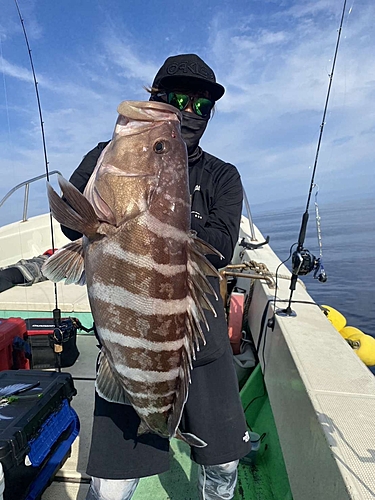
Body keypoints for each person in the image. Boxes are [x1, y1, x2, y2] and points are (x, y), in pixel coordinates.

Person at [61, 53, 250, 500]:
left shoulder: (223, 175)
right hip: (127, 345)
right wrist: (136, 211)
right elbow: (72, 223)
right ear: (157, 98)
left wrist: (162, 211)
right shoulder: (107, 156)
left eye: (202, 105)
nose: (189, 111)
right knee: (110, 487)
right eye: (178, 98)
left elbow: (222, 245)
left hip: (202, 344)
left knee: (223, 464)